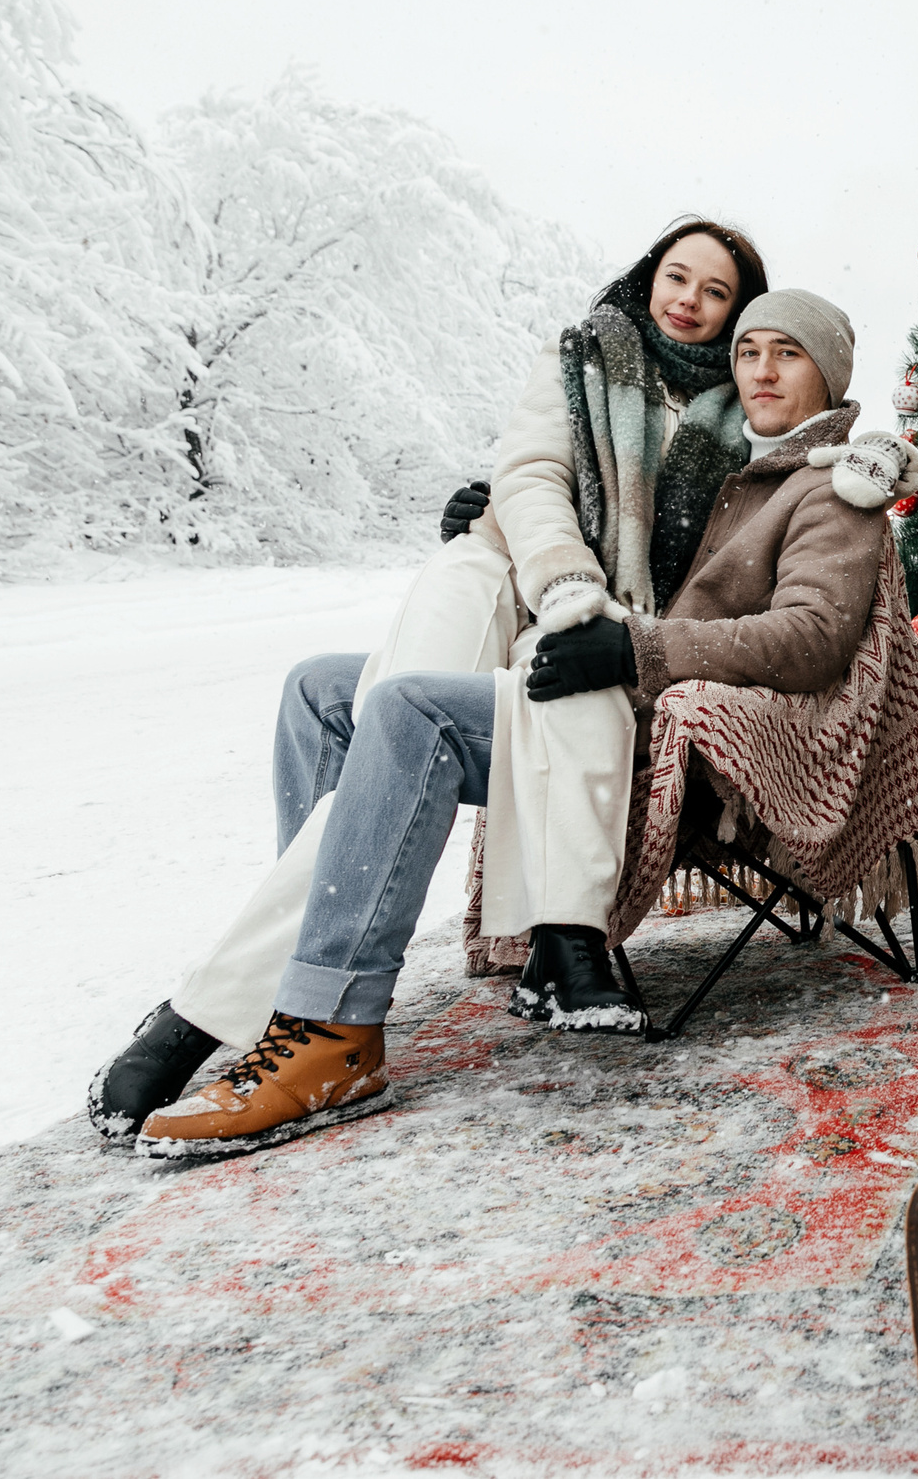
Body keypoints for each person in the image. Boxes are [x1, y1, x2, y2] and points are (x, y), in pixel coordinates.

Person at [86, 219, 782, 1141]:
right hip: (524, 580)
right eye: (674, 276)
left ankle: (228, 1015)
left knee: (397, 710)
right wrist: (544, 552)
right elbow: (534, 476)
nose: (685, 300)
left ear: (739, 315)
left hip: (594, 644)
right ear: (647, 276)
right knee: (327, 686)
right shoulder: (579, 359)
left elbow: (751, 534)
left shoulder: (742, 424)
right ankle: (313, 959)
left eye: (714, 292)